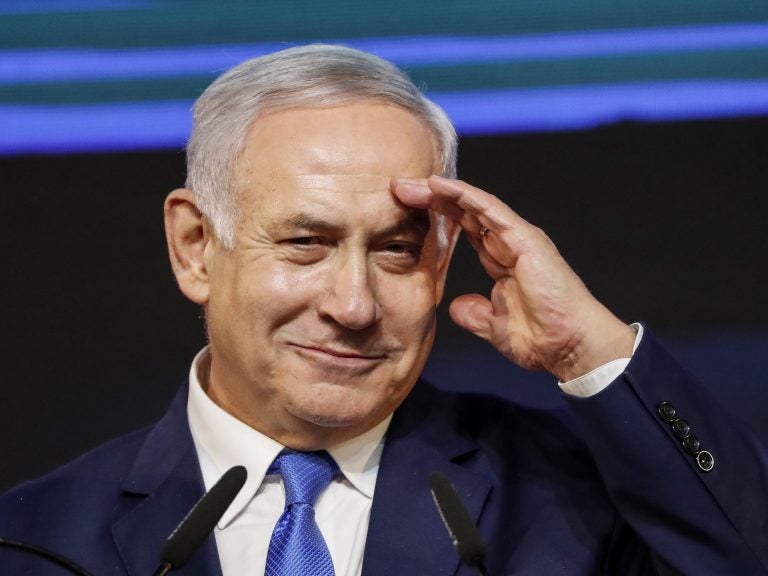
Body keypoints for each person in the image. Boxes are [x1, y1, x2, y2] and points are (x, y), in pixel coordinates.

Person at [1, 44, 766, 576]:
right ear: (197, 246)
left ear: (441, 260)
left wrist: (588, 350)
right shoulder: (37, 539)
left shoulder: (570, 500)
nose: (356, 304)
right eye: (306, 242)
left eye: (398, 250)